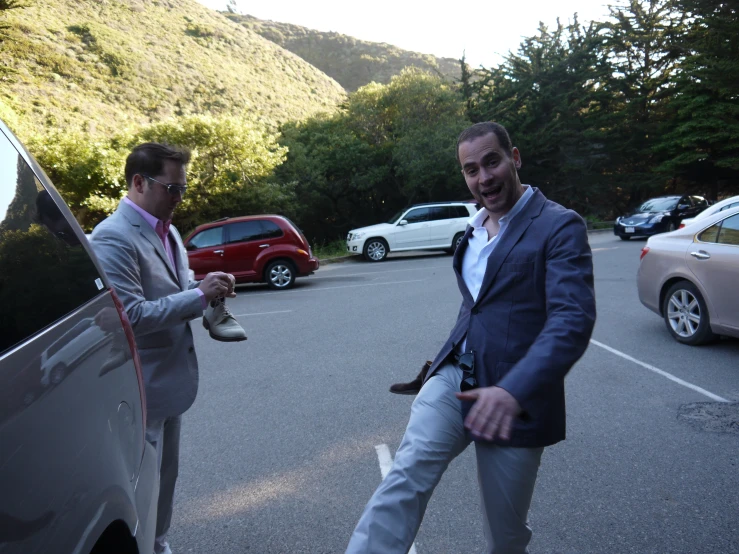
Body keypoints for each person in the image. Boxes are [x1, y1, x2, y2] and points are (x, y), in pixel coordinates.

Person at [347, 122, 596, 554]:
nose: (484, 178)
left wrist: (513, 390)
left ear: (514, 158)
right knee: (405, 476)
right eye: (471, 169)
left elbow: (572, 319)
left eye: (492, 162)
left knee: (505, 533)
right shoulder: (473, 228)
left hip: (515, 399)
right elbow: (477, 304)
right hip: (453, 378)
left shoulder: (558, 226)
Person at [90, 142, 246, 554]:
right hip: (140, 389)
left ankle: (158, 542)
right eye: (171, 188)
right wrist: (196, 298)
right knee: (141, 486)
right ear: (139, 182)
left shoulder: (169, 229)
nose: (178, 197)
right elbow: (132, 317)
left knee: (167, 478)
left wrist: (205, 287)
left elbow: (176, 289)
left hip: (171, 382)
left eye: (183, 188)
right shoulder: (112, 237)